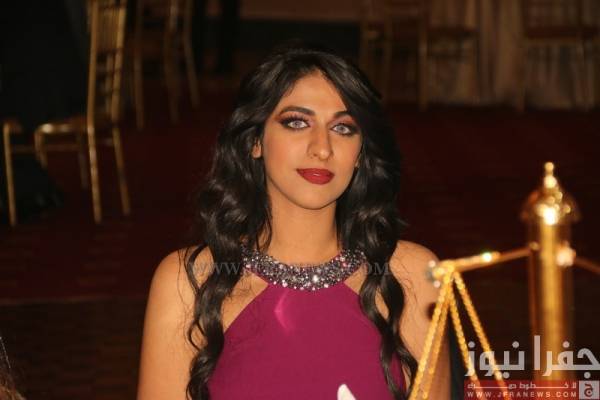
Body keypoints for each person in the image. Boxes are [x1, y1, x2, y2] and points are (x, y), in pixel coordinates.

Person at [137, 43, 450, 400]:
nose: (322, 147)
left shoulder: (412, 277)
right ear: (255, 141)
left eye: (343, 128)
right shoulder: (189, 283)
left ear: (361, 153)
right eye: (297, 123)